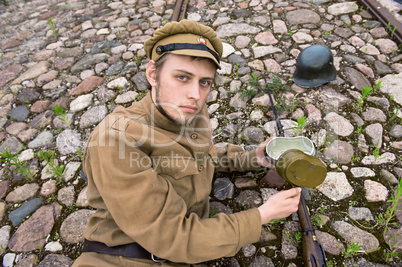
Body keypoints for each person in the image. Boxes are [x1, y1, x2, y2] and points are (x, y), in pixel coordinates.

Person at [73, 20, 301, 267]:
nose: (195, 94)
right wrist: (262, 216)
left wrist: (251, 158)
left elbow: (199, 157)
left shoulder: (189, 111)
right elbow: (173, 237)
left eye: (205, 82)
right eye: (182, 77)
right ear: (153, 75)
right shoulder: (116, 138)